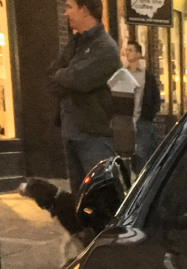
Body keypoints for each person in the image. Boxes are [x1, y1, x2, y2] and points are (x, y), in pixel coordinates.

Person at [49, 0, 120, 194]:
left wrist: (65, 76)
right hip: (71, 132)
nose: (65, 13)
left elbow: (80, 79)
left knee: (99, 198)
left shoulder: (106, 48)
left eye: (69, 7)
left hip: (94, 135)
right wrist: (66, 77)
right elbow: (52, 75)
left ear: (85, 10)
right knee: (78, 200)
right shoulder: (75, 43)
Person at [122, 39, 160, 169]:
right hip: (126, 121)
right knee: (126, 155)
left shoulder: (147, 76)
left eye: (131, 50)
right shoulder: (122, 74)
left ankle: (140, 183)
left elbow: (155, 98)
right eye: (126, 50)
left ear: (139, 54)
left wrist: (150, 114)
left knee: (141, 155)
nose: (127, 53)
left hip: (143, 120)